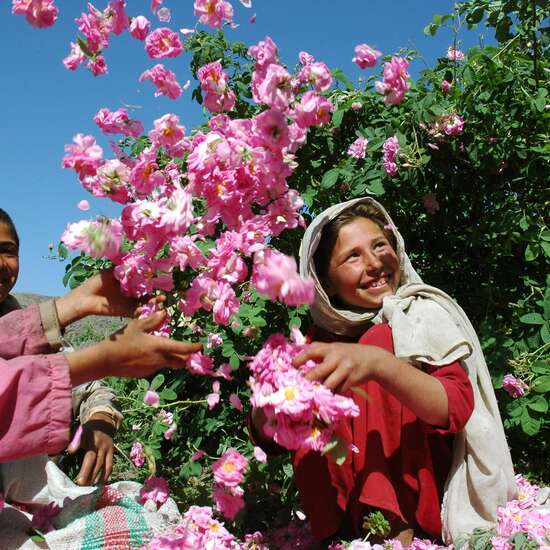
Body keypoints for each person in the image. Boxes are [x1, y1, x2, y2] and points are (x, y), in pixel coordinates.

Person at [251, 197, 516, 545]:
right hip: (343, 519)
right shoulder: (317, 343)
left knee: (378, 340)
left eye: (380, 245)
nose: (375, 263)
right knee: (309, 370)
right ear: (325, 282)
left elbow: (454, 407)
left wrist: (377, 364)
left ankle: (394, 535)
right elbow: (271, 438)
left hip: (430, 493)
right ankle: (340, 535)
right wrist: (269, 407)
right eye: (353, 256)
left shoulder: (420, 313)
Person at [0, 207, 202, 464]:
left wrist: (101, 417)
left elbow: (91, 389)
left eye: (7, 250)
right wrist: (104, 359)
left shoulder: (23, 328)